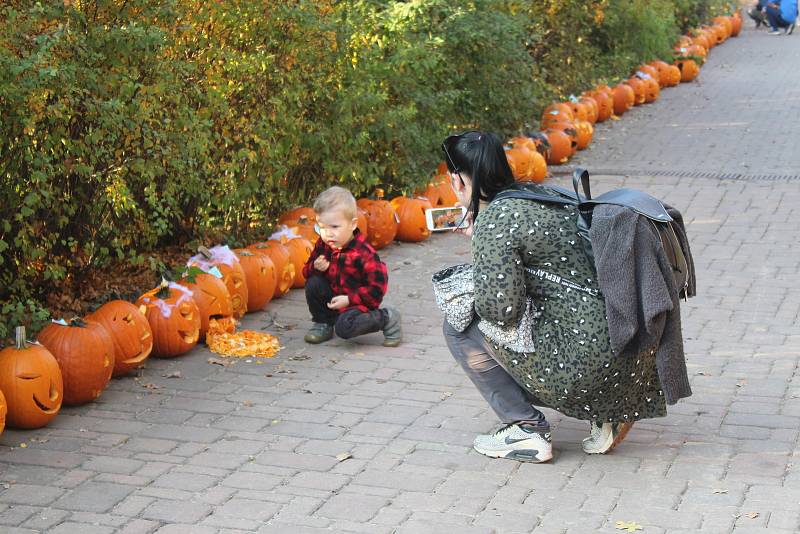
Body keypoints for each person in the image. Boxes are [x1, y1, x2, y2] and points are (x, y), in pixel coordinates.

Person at [440, 131, 669, 463]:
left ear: (458, 182)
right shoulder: (543, 193)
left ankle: (526, 430)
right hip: (627, 351)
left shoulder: (496, 219)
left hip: (584, 365)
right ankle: (609, 411)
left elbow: (500, 309)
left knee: (458, 323)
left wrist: (480, 255)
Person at [302, 186, 402, 346]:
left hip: (357, 303)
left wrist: (349, 300)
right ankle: (323, 323)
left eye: (334, 227)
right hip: (333, 298)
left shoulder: (364, 254)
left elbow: (376, 291)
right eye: (322, 227)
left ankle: (386, 318)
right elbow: (305, 273)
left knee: (345, 328)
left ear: (352, 224)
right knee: (313, 282)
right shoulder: (323, 244)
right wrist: (315, 266)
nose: (327, 233)